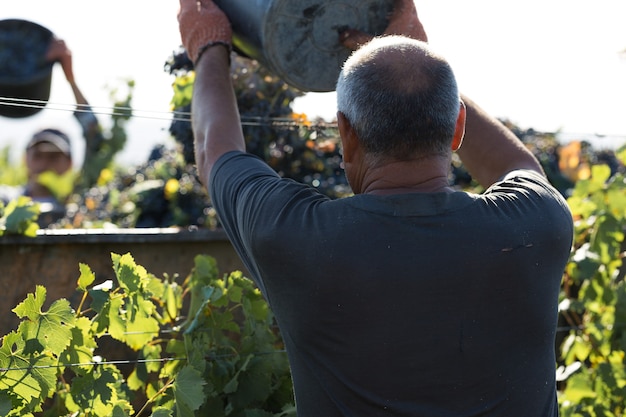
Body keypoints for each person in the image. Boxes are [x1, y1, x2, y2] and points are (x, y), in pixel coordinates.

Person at [177, 0, 574, 415]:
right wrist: (410, 53)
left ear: (345, 134)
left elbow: (214, 150)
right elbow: (518, 165)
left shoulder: (294, 237)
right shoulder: (538, 224)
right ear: (457, 127)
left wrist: (209, 47)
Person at [0, 37, 105, 224]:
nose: (45, 164)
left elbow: (95, 138)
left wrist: (70, 79)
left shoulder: (79, 204)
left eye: (54, 157)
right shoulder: (8, 202)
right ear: (25, 159)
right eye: (38, 156)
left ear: (70, 163)